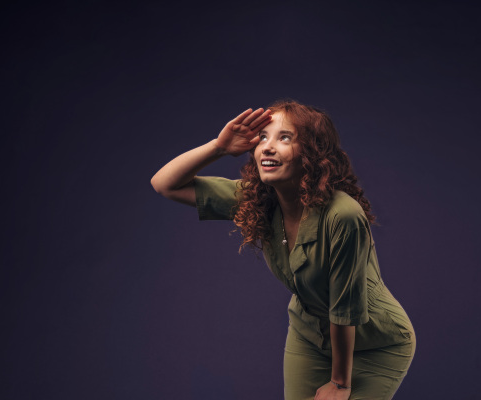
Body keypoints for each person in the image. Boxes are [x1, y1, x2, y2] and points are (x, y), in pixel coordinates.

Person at [150, 100, 416, 400]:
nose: (268, 147)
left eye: (284, 138)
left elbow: (344, 308)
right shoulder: (258, 198)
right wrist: (218, 147)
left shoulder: (343, 215)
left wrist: (340, 383)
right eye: (262, 137)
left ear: (312, 153)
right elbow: (164, 184)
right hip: (309, 337)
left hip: (375, 343)